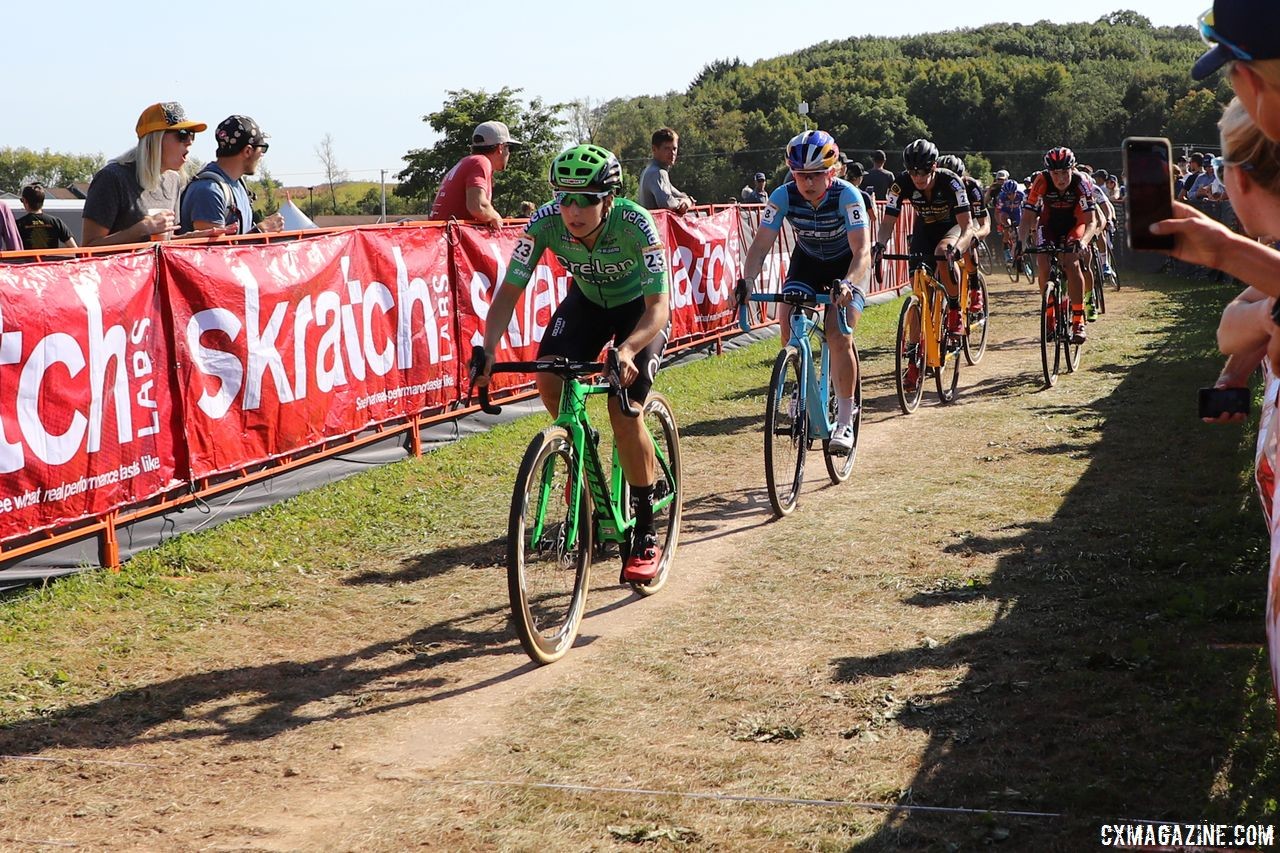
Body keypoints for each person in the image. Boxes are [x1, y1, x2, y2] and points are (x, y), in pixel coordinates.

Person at [474, 144, 671, 583]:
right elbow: (508, 293)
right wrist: (487, 349)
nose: (573, 210)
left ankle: (644, 530)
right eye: (565, 198)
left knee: (624, 411)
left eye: (585, 199)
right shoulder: (544, 223)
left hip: (640, 313)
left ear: (609, 199)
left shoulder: (637, 225)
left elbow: (659, 307)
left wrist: (627, 349)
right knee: (548, 373)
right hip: (588, 304)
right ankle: (579, 443)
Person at [739, 130, 869, 454]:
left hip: (846, 266)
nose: (807, 183)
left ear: (832, 172)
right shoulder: (783, 196)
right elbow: (759, 247)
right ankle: (800, 380)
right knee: (786, 317)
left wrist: (849, 284)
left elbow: (862, 251)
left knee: (838, 334)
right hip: (808, 262)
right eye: (800, 176)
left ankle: (843, 420)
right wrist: (747, 281)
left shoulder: (847, 196)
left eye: (815, 175)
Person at [872, 139, 973, 392]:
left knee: (942, 253)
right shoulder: (900, 184)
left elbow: (968, 226)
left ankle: (953, 310)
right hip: (924, 230)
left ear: (934, 167)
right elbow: (888, 222)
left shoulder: (951, 181)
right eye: (913, 171)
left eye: (923, 172)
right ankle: (914, 361)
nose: (918, 177)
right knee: (918, 292)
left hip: (951, 226)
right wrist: (880, 245)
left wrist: (958, 248)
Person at [82, 102, 216, 246]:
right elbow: (89, 247)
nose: (189, 142)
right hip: (118, 269)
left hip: (154, 269)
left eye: (192, 135)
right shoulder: (112, 178)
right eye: (182, 135)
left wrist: (191, 239)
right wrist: (139, 230)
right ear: (155, 139)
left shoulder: (173, 180)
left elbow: (162, 243)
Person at [1017, 146, 1097, 344]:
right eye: (1055, 173)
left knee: (1072, 262)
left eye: (1065, 172)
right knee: (1043, 262)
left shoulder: (1081, 182)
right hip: (1049, 224)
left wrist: (1084, 241)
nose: (1060, 178)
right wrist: (1020, 242)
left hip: (1075, 224)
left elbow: (1091, 221)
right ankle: (1050, 314)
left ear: (1073, 168)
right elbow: (1028, 217)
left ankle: (1078, 320)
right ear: (1049, 172)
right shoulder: (1041, 181)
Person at [180, 115, 284, 235]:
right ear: (248, 151)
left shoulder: (238, 184)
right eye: (263, 149)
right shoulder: (208, 191)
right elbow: (212, 251)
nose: (262, 155)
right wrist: (260, 232)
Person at [429, 120, 521, 228]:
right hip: (448, 238)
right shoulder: (480, 162)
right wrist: (496, 217)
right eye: (510, 148)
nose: (509, 153)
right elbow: (478, 206)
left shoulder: (466, 161)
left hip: (439, 236)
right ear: (500, 148)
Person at [938, 154, 990, 314]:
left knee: (969, 239)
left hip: (972, 219)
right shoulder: (936, 185)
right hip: (950, 223)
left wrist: (976, 235)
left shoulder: (971, 187)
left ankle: (975, 288)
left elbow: (983, 222)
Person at [637, 127, 694, 214]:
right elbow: (667, 203)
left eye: (674, 149)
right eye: (667, 148)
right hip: (656, 226)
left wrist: (687, 200)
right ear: (654, 149)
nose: (672, 153)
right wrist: (684, 203)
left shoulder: (650, 170)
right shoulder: (658, 173)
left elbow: (678, 195)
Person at [15, 184, 77, 250]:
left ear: (25, 201)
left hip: (30, 260)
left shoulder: (19, 224)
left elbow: (13, 248)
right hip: (50, 260)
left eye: (22, 200)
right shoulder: (56, 222)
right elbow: (74, 248)